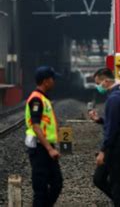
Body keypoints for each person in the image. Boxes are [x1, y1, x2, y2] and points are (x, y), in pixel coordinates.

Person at [88, 68, 120, 207]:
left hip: (115, 145)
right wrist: (99, 120)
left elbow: (112, 129)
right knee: (102, 179)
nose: (98, 86)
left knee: (114, 180)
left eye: (98, 83)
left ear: (106, 81)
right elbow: (115, 122)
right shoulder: (118, 95)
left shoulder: (114, 99)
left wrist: (103, 151)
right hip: (118, 143)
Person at [25, 66, 63, 207]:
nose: (54, 82)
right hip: (40, 148)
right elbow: (36, 126)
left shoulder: (43, 98)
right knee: (40, 188)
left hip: (46, 146)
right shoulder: (37, 99)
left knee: (57, 183)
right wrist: (50, 149)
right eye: (53, 79)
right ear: (46, 81)